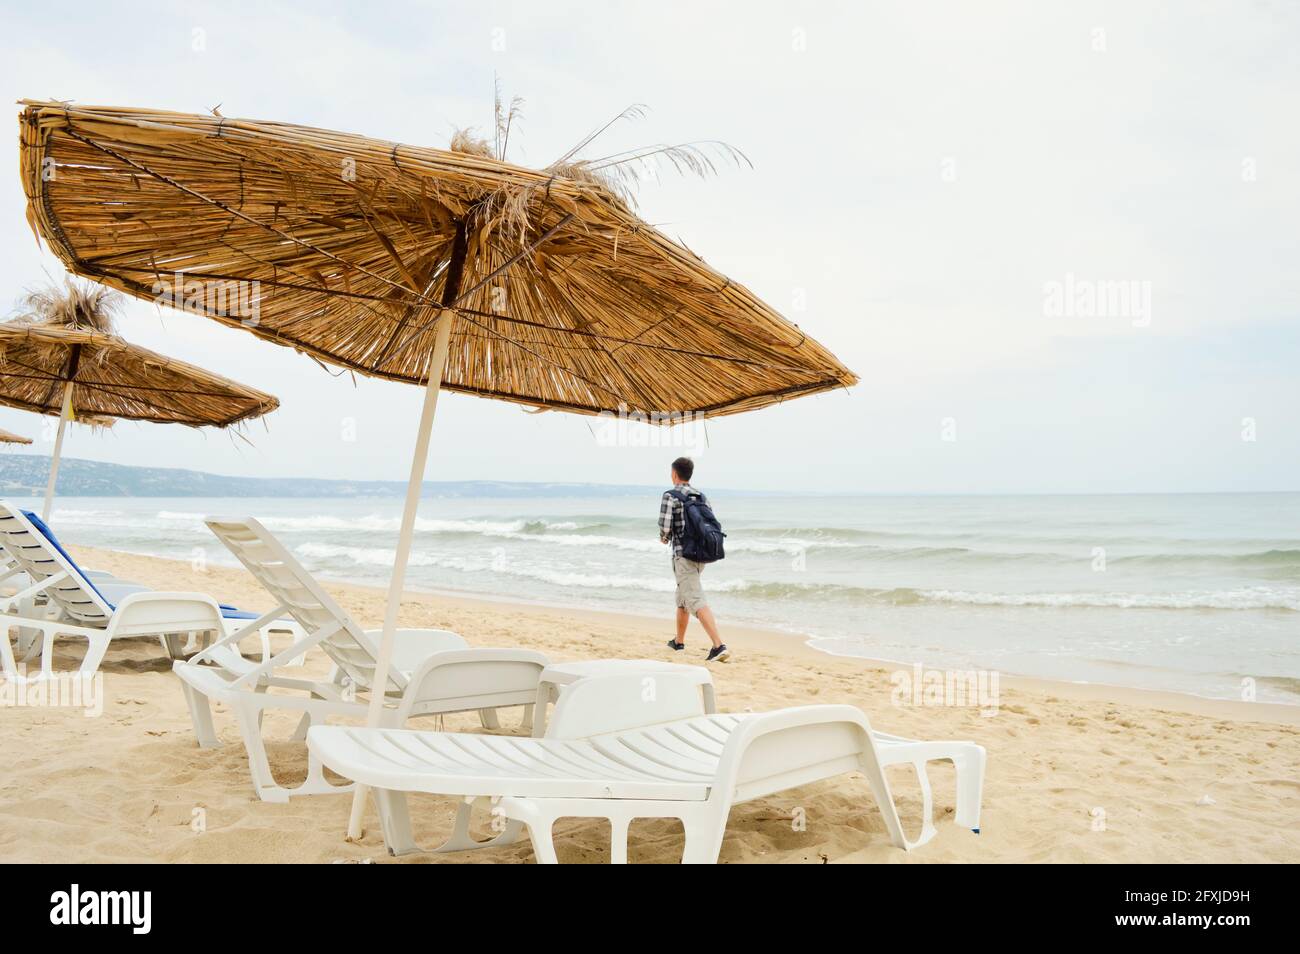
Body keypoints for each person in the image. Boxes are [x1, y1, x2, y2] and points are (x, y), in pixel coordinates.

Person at [658, 456, 729, 662]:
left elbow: (665, 526)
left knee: (695, 599)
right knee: (683, 597)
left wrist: (664, 538)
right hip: (701, 555)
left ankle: (718, 645)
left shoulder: (670, 496)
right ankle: (678, 642)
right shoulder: (700, 496)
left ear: (674, 474)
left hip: (683, 554)